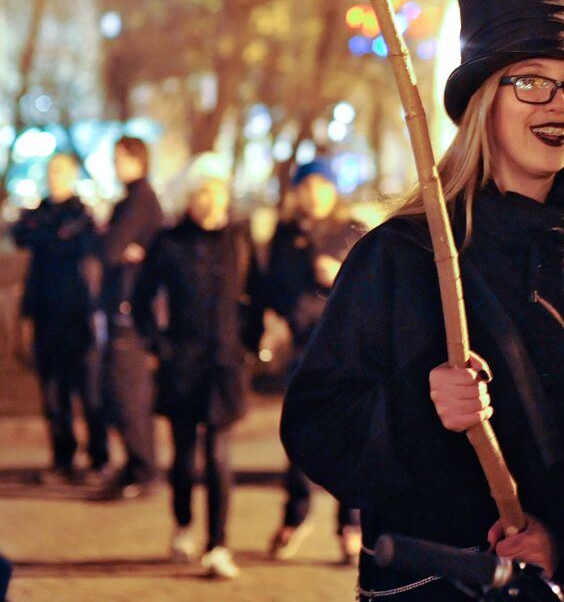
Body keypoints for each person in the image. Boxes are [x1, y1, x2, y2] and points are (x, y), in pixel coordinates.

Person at [281, 0, 564, 601]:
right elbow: (316, 426)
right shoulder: (402, 255)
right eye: (531, 79)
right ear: (484, 97)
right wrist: (417, 410)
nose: (558, 103)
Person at [132, 161, 258, 580]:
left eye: (217, 192)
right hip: (181, 363)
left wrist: (251, 345)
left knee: (219, 454)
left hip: (224, 363)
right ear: (189, 198)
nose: (210, 201)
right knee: (184, 454)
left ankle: (218, 544)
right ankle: (183, 523)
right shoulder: (169, 242)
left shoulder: (238, 239)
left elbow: (256, 293)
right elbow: (141, 299)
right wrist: (158, 345)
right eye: (201, 193)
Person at [265, 159, 366, 563]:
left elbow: (373, 290)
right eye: (306, 186)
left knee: (351, 438)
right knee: (299, 437)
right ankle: (295, 515)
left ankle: (350, 525)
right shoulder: (285, 235)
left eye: (322, 185)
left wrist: (340, 273)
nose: (314, 194)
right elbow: (271, 286)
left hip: (347, 350)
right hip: (302, 348)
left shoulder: (353, 230)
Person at [13, 153, 109, 483]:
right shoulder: (39, 213)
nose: (54, 177)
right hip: (44, 313)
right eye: (51, 171)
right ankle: (63, 458)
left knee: (88, 390)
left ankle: (99, 457)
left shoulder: (81, 215)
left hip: (77, 313)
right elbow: (21, 235)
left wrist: (48, 235)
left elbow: (75, 246)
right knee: (54, 394)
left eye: (61, 172)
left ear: (72, 176)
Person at [97, 136, 164, 500]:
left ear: (137, 160)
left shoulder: (139, 200)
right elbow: (112, 248)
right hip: (123, 305)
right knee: (118, 389)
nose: (114, 165)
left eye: (119, 158)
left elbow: (108, 249)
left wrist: (115, 244)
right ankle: (135, 465)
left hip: (130, 308)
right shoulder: (133, 199)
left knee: (127, 391)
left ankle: (143, 469)